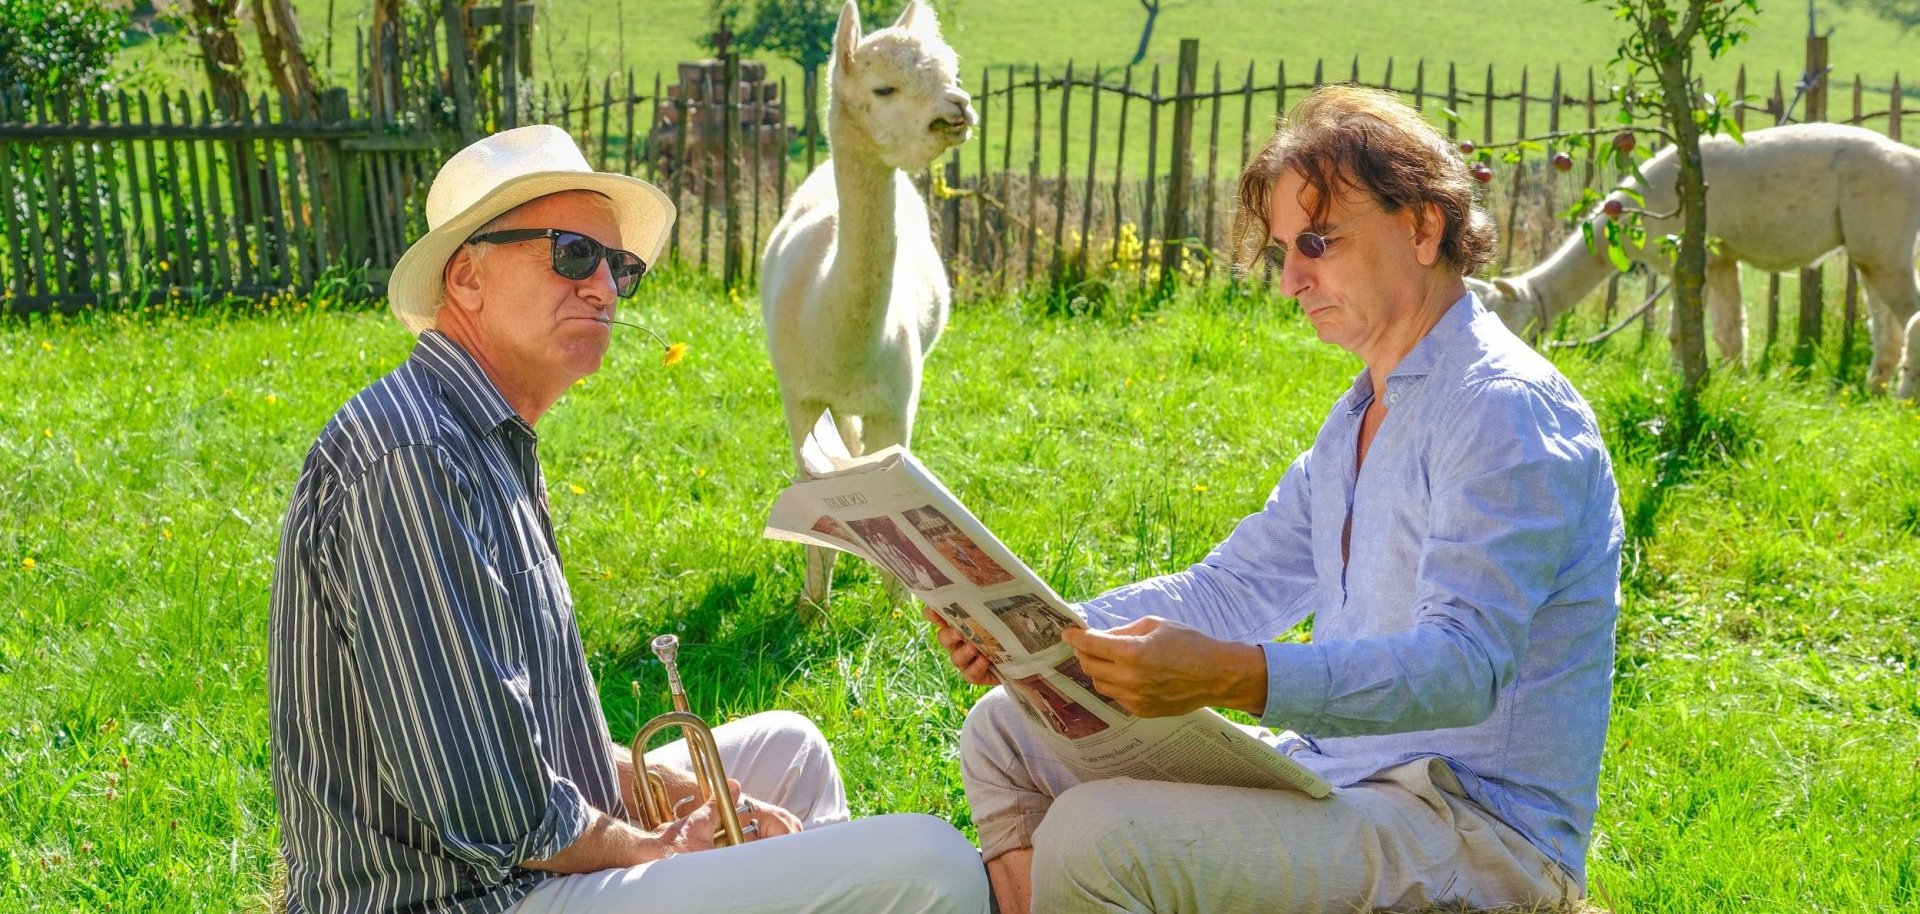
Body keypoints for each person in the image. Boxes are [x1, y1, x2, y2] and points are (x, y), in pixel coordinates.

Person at [928, 86, 1625, 914]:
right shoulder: (1362, 415)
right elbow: (1233, 588)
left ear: (1423, 226)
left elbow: (1464, 668)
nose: (1291, 280)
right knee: (1004, 734)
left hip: (1475, 831)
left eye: (1319, 243)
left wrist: (1236, 677)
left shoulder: (1504, 410)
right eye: (1286, 249)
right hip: (1344, 776)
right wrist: (1041, 631)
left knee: (1098, 837)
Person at [269, 124, 989, 914]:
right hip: (469, 897)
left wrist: (675, 787)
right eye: (572, 255)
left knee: (792, 752)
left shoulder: (484, 437)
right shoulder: (411, 457)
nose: (605, 289)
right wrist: (662, 847)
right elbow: (488, 806)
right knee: (933, 865)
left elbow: (530, 733)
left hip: (522, 863)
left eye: (621, 267)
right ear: (466, 277)